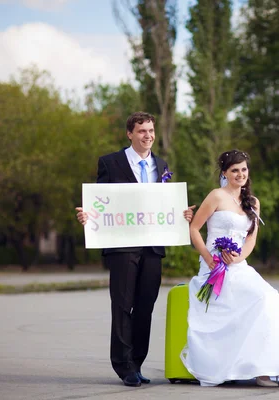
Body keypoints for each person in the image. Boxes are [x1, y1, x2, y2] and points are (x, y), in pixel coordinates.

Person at [75, 111, 194, 387]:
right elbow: (100, 202)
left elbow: (164, 205)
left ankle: (137, 362)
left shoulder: (161, 165)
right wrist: (88, 216)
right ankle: (123, 366)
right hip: (122, 247)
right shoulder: (110, 162)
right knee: (122, 305)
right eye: (142, 131)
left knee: (145, 307)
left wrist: (181, 214)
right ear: (130, 133)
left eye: (151, 131)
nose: (148, 136)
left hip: (153, 247)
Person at [182, 149, 279, 387]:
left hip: (238, 264)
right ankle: (262, 373)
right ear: (225, 173)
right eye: (235, 170)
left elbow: (251, 239)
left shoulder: (252, 202)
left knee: (271, 298)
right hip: (214, 266)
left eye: (244, 169)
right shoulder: (216, 196)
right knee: (259, 300)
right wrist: (209, 258)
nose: (240, 174)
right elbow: (194, 229)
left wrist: (238, 257)